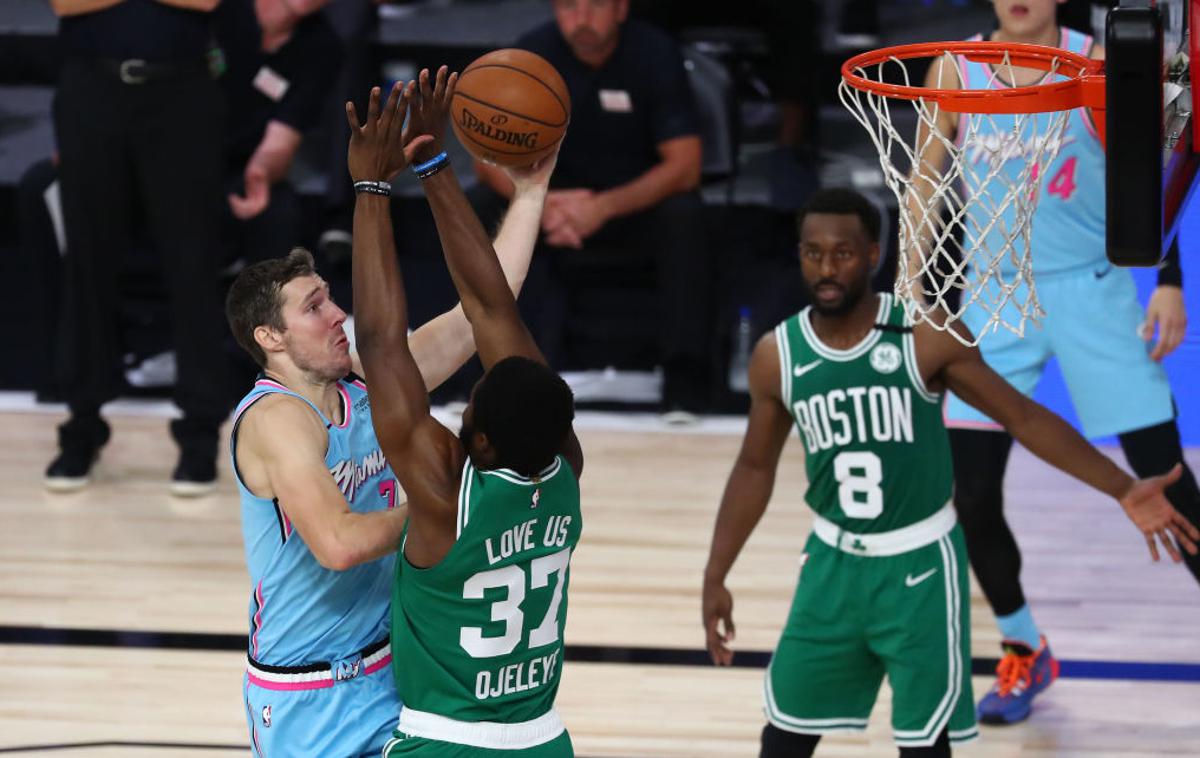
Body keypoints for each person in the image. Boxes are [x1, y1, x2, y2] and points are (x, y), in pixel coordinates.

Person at [701, 188, 1198, 757]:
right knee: (783, 738)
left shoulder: (926, 336)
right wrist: (716, 574)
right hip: (830, 569)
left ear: (872, 255)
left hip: (919, 571)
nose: (826, 267)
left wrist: (1122, 487)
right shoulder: (777, 354)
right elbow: (753, 467)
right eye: (813, 253)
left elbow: (1023, 416)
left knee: (925, 745)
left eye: (842, 253)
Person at [223, 98, 553, 757]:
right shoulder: (276, 421)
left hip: (395, 672)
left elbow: (486, 305)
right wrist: (449, 508)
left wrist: (531, 189)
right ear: (271, 338)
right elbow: (340, 545)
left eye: (332, 297)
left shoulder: (367, 387)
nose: (339, 313)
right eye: (315, 308)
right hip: (307, 698)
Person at [910, 0, 1200, 724]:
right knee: (969, 495)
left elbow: (1144, 178)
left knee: (1168, 481)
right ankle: (1023, 647)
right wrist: (911, 284)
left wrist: (1168, 281)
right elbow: (924, 185)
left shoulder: (1104, 61)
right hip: (993, 296)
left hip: (1090, 290)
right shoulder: (957, 65)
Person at [347, 71, 583, 756]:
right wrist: (431, 161)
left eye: (469, 400)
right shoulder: (564, 467)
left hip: (444, 743)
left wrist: (372, 187)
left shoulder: (443, 495)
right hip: (543, 741)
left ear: (475, 442)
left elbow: (381, 345)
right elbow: (493, 310)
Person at [473, 0, 712, 416]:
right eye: (568, 6)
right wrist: (539, 205)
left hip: (631, 208)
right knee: (478, 209)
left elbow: (686, 164)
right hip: (549, 206)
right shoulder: (530, 57)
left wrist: (602, 208)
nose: (580, 17)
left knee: (686, 214)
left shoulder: (655, 53)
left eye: (594, 5)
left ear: (621, 9)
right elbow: (485, 159)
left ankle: (685, 383)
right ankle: (489, 376)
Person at [45, 0, 229, 495]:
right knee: (87, 264)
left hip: (183, 91)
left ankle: (198, 435)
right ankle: (81, 426)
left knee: (192, 265)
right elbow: (65, 4)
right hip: (91, 89)